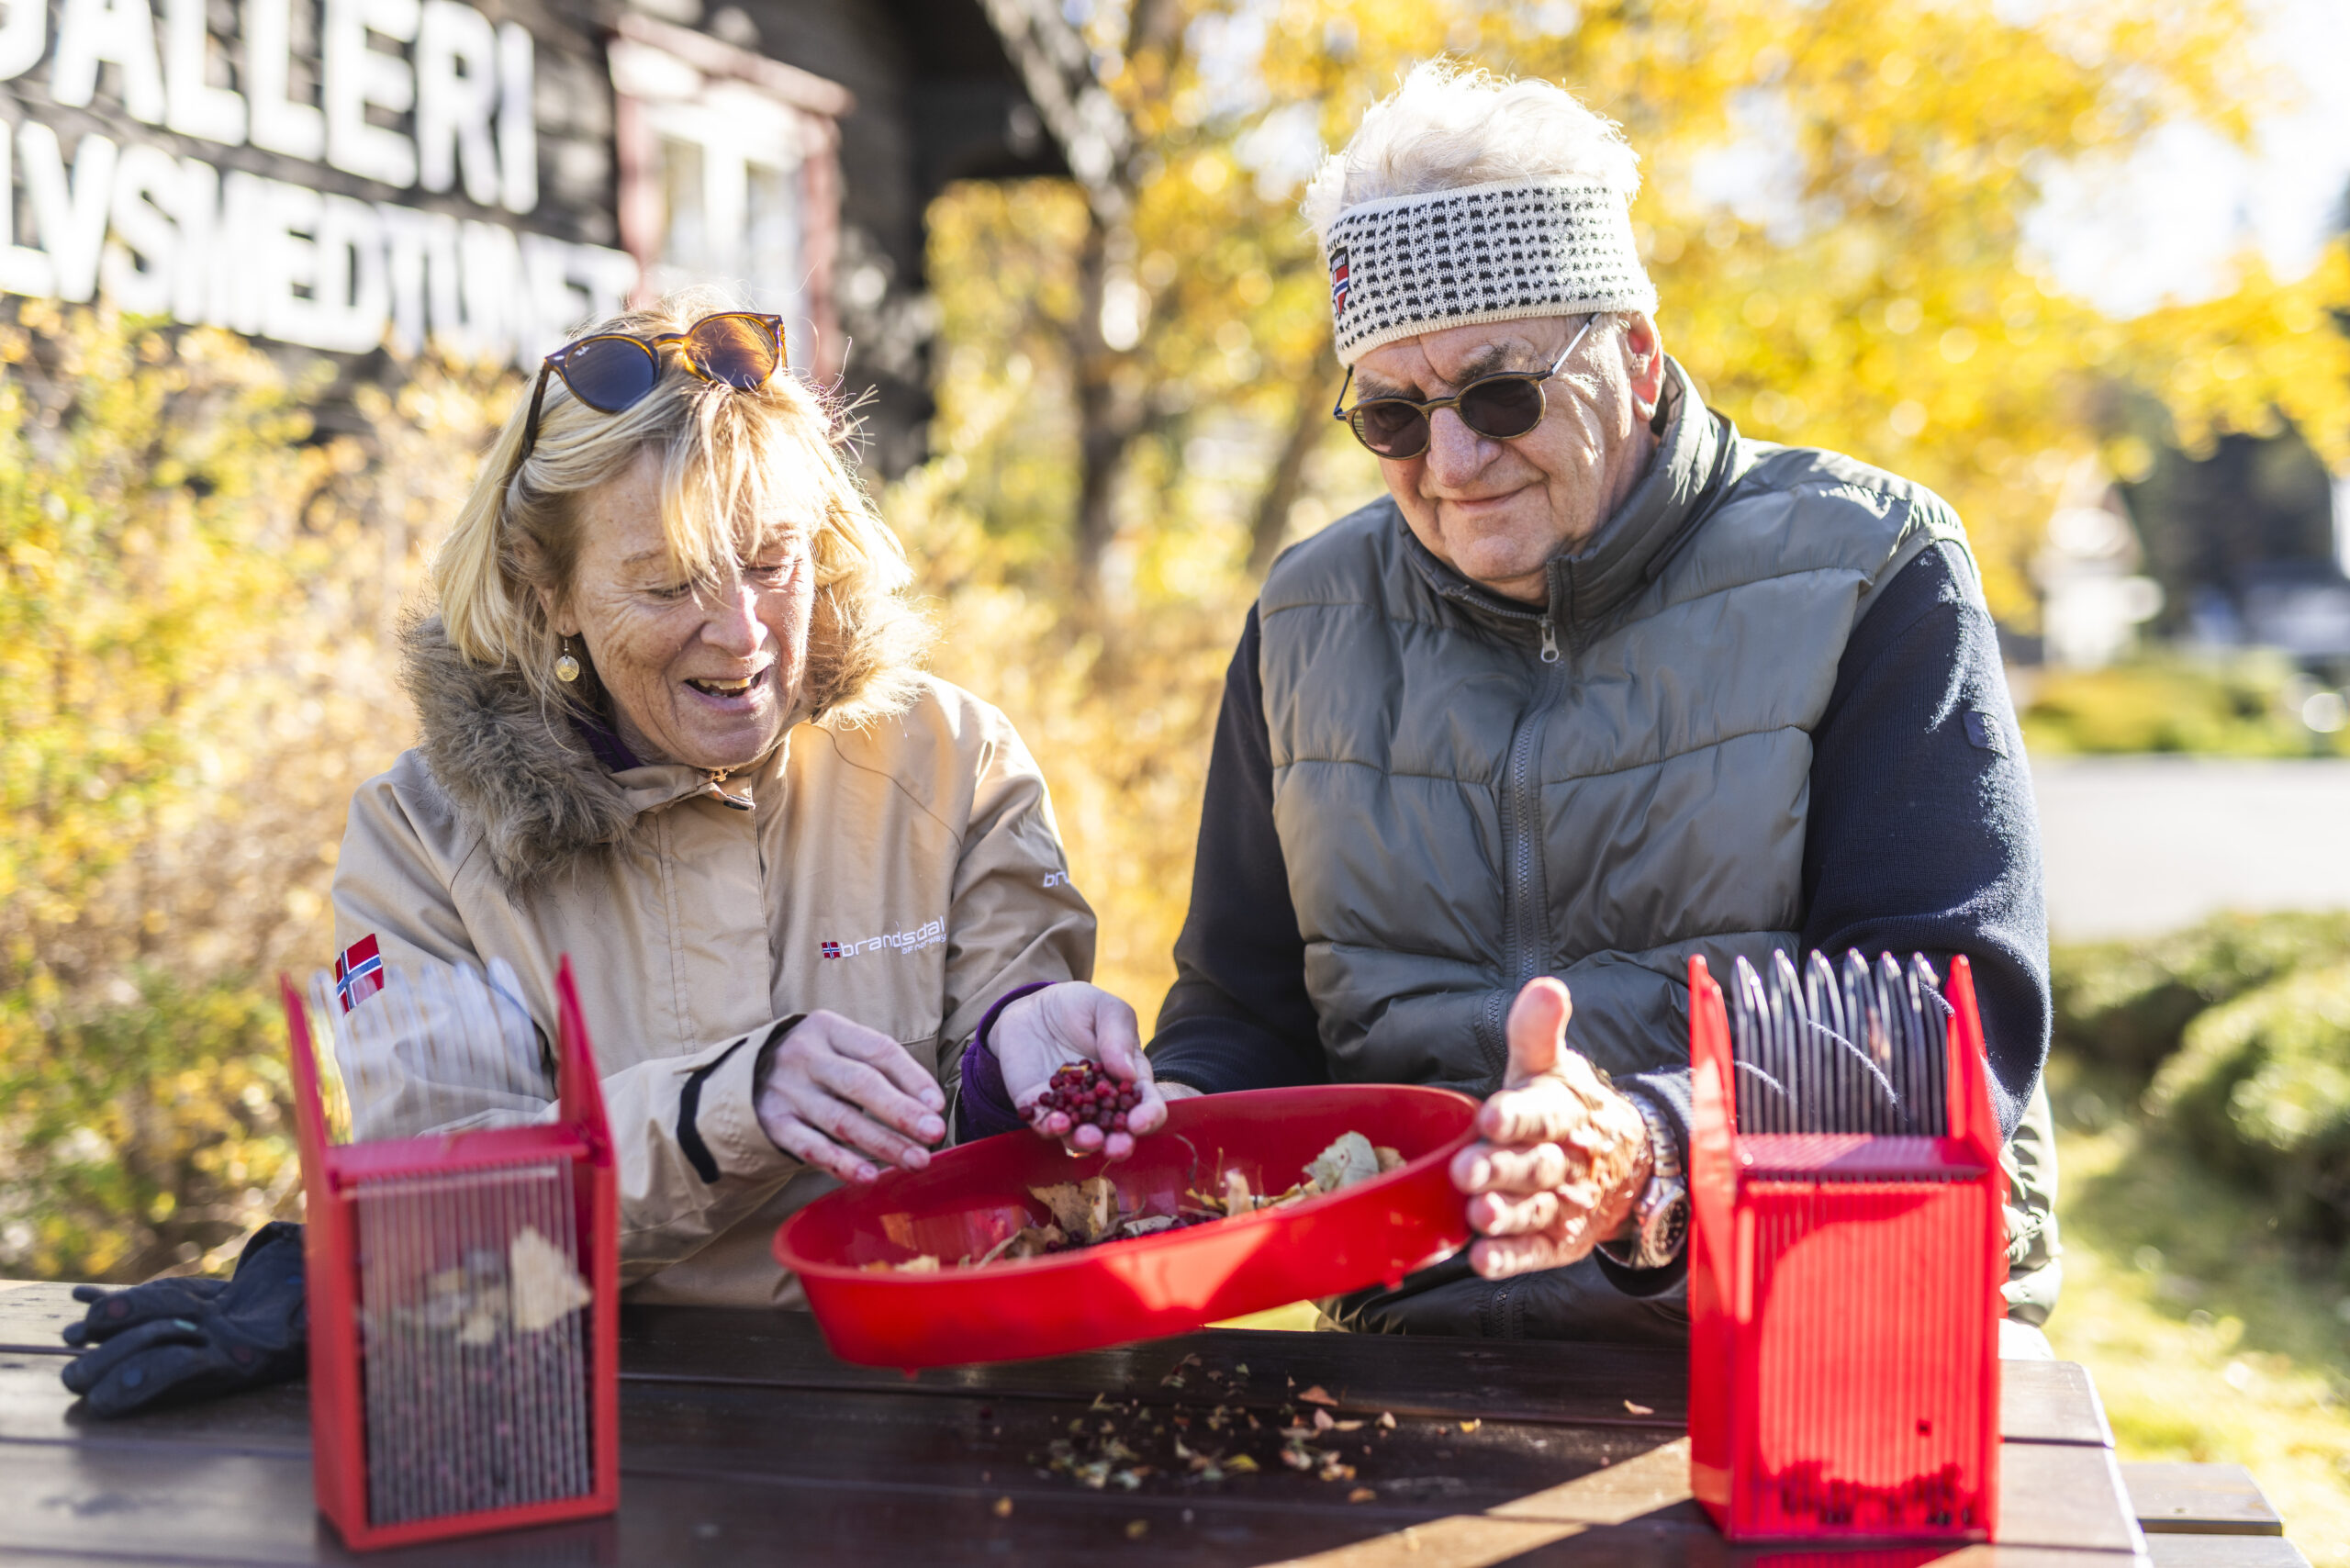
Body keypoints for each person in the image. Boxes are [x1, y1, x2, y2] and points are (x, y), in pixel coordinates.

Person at [1140, 62, 2061, 1344]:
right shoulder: (1308, 618)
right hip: (1438, 1336)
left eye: (1500, 394)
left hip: (1829, 1324)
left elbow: (1946, 1020)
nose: (1451, 465)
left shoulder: (1871, 569)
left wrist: (1649, 1147)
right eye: (1393, 416)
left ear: (1634, 353)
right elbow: (1243, 1013)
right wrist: (1155, 1127)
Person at [330, 295, 1164, 1307]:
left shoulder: (952, 759)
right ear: (543, 586)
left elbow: (1022, 1182)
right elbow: (434, 1223)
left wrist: (1011, 1060)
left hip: (932, 1396)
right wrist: (721, 1110)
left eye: (773, 563)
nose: (742, 634)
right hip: (620, 1427)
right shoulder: (422, 842)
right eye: (671, 583)